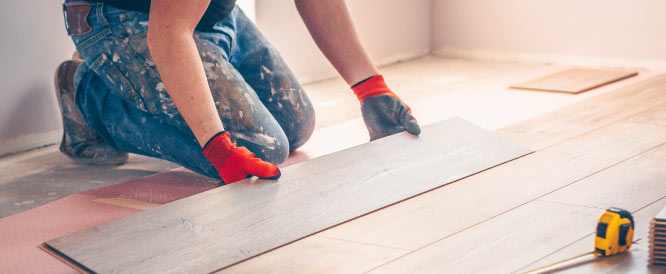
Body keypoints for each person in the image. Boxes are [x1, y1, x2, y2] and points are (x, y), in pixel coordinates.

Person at [56, 0, 421, 184]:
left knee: (297, 127)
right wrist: (216, 146)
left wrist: (371, 89)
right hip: (125, 21)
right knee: (263, 149)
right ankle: (87, 96)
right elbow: (168, 33)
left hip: (209, 15)